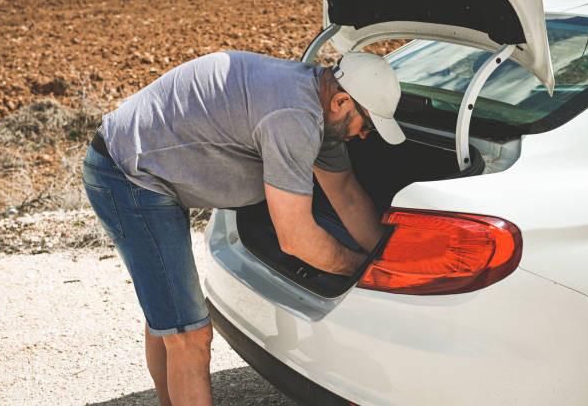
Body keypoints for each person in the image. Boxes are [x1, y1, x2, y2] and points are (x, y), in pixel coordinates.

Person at [82, 50, 404, 405]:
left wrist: (388, 261)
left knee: (171, 315)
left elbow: (347, 196)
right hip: (128, 174)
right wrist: (362, 270)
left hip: (151, 164)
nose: (364, 136)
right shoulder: (294, 116)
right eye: (368, 124)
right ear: (342, 101)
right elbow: (296, 239)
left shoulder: (319, 109)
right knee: (191, 336)